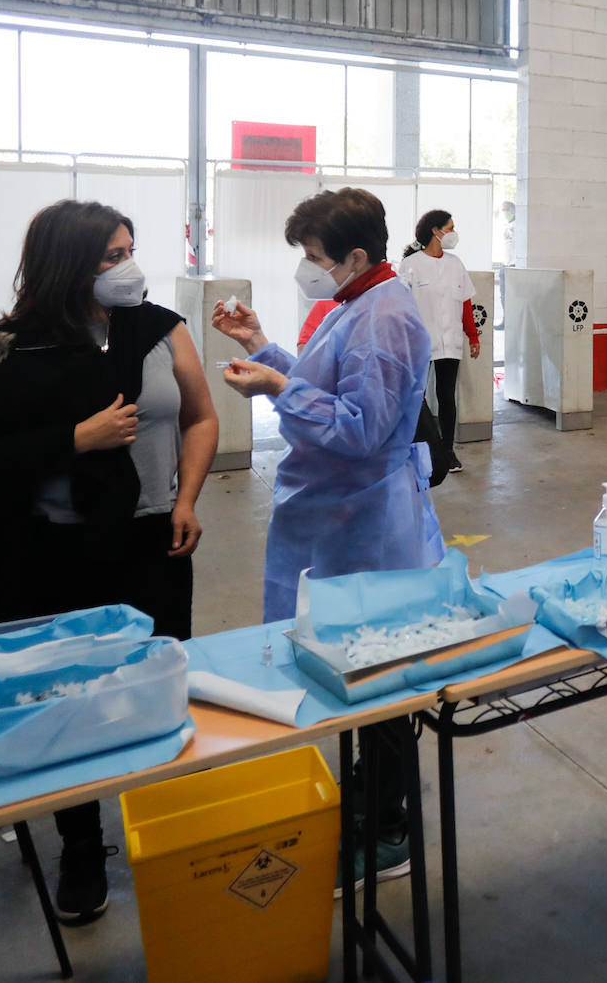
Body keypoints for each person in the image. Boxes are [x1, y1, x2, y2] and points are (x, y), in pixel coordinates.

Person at [0, 199, 219, 925]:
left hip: (149, 543)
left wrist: (185, 499)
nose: (128, 268)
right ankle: (81, 845)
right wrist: (73, 440)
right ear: (66, 265)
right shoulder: (2, 356)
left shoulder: (159, 330)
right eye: (109, 256)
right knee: (62, 699)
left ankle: (165, 820)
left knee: (154, 678)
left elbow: (201, 416)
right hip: (46, 557)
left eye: (130, 249)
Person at [211, 187, 439, 890]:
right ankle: (370, 805)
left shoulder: (385, 318)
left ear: (358, 256)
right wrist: (262, 347)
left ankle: (389, 829)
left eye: (315, 258)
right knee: (352, 675)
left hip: (366, 525)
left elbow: (360, 429)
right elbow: (322, 382)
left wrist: (278, 387)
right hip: (341, 521)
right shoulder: (357, 306)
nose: (308, 269)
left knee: (380, 681)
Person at [399, 209, 479, 473]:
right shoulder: (412, 265)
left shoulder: (455, 264)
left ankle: (447, 452)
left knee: (446, 397)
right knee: (416, 397)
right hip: (420, 343)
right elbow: (400, 307)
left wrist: (473, 334)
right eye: (450, 227)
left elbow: (465, 301)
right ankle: (417, 451)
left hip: (450, 341)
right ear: (436, 230)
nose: (454, 233)